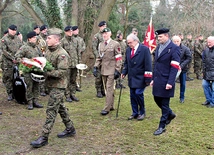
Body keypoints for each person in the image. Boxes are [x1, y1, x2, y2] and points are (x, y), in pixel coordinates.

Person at [30, 28, 76, 148]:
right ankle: (70, 128)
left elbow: (61, 73)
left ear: (56, 40)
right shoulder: (49, 51)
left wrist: (45, 72)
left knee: (51, 110)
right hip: (50, 85)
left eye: (49, 38)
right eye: (47, 38)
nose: (46, 39)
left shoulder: (62, 54)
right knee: (60, 107)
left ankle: (44, 137)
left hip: (59, 86)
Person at [150, 28, 180, 135]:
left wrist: (170, 82)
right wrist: (153, 78)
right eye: (158, 37)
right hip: (158, 80)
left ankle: (162, 126)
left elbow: (174, 67)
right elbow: (156, 65)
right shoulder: (158, 48)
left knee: (165, 104)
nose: (158, 39)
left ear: (166, 36)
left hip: (167, 80)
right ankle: (170, 114)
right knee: (156, 98)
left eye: (160, 37)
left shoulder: (174, 48)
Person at [121, 33, 152, 120]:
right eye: (128, 43)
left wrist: (148, 79)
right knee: (132, 95)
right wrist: (124, 72)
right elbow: (126, 63)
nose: (129, 44)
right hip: (132, 77)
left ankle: (142, 111)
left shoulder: (144, 49)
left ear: (136, 41)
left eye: (130, 42)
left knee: (138, 93)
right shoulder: (128, 50)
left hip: (141, 77)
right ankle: (135, 112)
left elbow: (148, 64)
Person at [93, 27, 122, 115]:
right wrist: (95, 66)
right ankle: (111, 105)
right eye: (103, 34)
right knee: (107, 88)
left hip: (112, 69)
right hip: (103, 69)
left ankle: (106, 108)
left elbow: (119, 57)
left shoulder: (115, 44)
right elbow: (99, 57)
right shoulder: (101, 44)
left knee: (109, 88)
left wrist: (118, 69)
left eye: (106, 33)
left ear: (110, 34)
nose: (104, 35)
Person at [15, 31, 44, 110]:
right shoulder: (24, 47)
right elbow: (17, 57)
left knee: (36, 85)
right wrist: (25, 62)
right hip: (28, 71)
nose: (35, 38)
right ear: (29, 39)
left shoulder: (37, 47)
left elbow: (41, 57)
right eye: (34, 37)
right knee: (29, 86)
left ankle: (36, 101)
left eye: (35, 37)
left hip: (37, 70)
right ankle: (30, 102)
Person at [1, 25, 23, 101]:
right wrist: (12, 58)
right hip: (8, 62)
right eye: (12, 30)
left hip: (17, 61)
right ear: (8, 30)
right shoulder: (4, 39)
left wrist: (18, 57)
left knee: (18, 76)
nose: (14, 31)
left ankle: (17, 91)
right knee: (8, 78)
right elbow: (4, 51)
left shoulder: (17, 38)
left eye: (15, 30)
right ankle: (10, 93)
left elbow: (21, 47)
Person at [61, 26, 80, 102]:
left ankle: (73, 94)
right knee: (67, 80)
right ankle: (67, 95)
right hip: (67, 64)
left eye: (71, 31)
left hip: (74, 63)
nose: (70, 33)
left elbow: (78, 52)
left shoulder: (75, 40)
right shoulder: (62, 41)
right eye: (69, 31)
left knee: (73, 80)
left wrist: (79, 62)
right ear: (65, 32)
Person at [172, 35, 192, 103]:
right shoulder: (170, 48)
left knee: (182, 84)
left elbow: (189, 58)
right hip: (172, 69)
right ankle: (169, 96)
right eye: (174, 41)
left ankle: (182, 97)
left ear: (180, 41)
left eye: (177, 41)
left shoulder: (185, 49)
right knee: (171, 82)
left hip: (182, 69)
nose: (176, 43)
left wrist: (181, 65)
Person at [92, 21, 107, 98]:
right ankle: (98, 90)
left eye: (105, 26)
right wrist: (98, 56)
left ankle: (103, 89)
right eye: (103, 26)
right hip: (99, 59)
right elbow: (94, 47)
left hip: (106, 59)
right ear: (100, 27)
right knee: (98, 76)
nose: (104, 27)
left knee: (104, 75)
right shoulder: (97, 36)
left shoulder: (106, 35)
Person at [72, 26, 86, 92]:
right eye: (76, 30)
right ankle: (74, 85)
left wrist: (81, 50)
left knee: (79, 72)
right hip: (72, 59)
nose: (77, 31)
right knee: (73, 73)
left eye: (78, 30)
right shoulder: (71, 39)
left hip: (79, 58)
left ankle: (78, 85)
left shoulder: (80, 39)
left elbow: (84, 46)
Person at [202, 36, 214, 108]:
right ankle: (208, 100)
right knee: (205, 85)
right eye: (207, 42)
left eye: (210, 42)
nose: (208, 43)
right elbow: (204, 61)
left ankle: (213, 103)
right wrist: (203, 71)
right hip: (207, 72)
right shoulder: (206, 50)